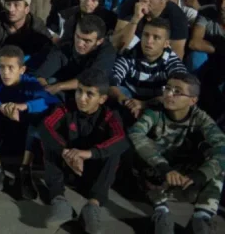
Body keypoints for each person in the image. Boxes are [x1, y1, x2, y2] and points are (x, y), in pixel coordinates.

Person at [129, 73, 225, 234]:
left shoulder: (200, 118)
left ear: (192, 100)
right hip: (159, 173)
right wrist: (164, 167)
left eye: (177, 92)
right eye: (167, 89)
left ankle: (202, 216)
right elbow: (136, 134)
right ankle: (161, 212)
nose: (169, 94)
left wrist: (201, 175)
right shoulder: (155, 111)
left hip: (186, 178)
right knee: (138, 149)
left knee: (218, 160)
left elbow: (222, 146)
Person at [38, 69, 129, 233]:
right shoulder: (66, 108)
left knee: (114, 151)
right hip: (69, 168)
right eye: (79, 91)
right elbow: (45, 126)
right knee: (48, 142)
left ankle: (92, 206)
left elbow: (121, 139)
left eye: (89, 94)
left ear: (102, 99)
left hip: (95, 173)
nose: (81, 98)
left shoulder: (109, 114)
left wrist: (86, 154)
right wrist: (67, 153)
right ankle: (59, 200)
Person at [0, 45, 60, 197]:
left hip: (25, 139)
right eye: (2, 67)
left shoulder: (30, 83)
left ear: (21, 70)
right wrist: (1, 107)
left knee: (39, 116)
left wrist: (25, 106)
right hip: (1, 136)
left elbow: (50, 101)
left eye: (11, 68)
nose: (6, 73)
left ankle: (25, 171)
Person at [110, 19, 187, 122]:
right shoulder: (130, 54)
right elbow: (111, 81)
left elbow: (181, 90)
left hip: (158, 104)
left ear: (166, 43)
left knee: (175, 98)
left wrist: (144, 104)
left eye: (156, 37)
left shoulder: (172, 62)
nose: (149, 41)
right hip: (129, 99)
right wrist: (125, 100)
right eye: (146, 35)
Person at [35, 15, 117, 96]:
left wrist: (59, 86)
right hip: (62, 84)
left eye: (87, 41)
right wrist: (44, 88)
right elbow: (40, 75)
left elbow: (92, 80)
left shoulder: (107, 52)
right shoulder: (65, 45)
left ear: (99, 41)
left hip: (90, 92)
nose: (80, 44)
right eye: (77, 36)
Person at [112, 0, 189, 59]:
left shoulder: (177, 18)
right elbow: (115, 44)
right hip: (129, 57)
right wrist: (135, 20)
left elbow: (177, 55)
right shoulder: (130, 6)